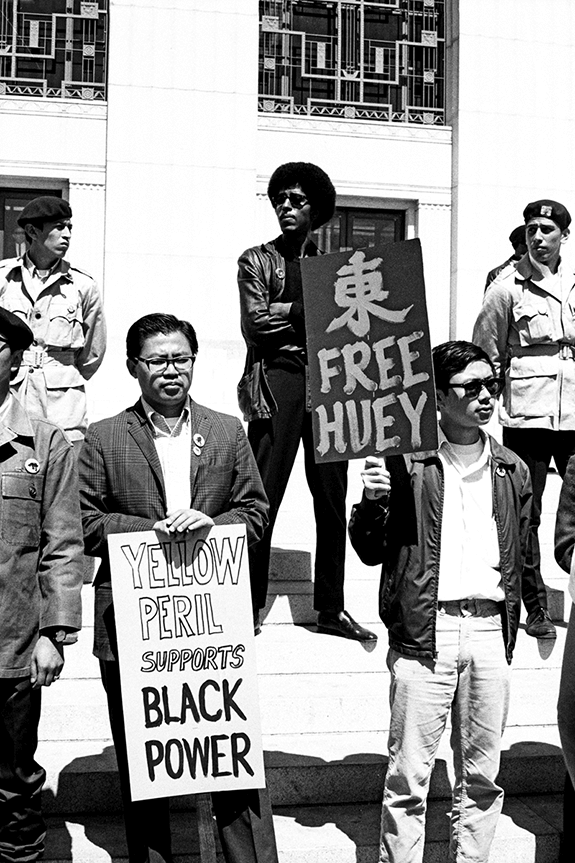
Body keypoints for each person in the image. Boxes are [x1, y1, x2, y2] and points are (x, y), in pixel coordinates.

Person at [78, 313, 279, 863]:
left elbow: (256, 513)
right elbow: (84, 521)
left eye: (181, 359)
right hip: (134, 625)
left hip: (209, 625)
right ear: (133, 367)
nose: (172, 371)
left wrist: (213, 526)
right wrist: (152, 532)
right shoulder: (105, 437)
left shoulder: (224, 430)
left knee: (229, 754)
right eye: (158, 360)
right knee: (147, 766)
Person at [349, 340, 532, 863]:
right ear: (436, 396)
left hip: (491, 627)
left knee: (482, 777)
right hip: (427, 632)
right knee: (409, 778)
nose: (485, 396)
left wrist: (528, 617)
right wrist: (373, 502)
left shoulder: (511, 468)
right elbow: (367, 550)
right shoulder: (406, 463)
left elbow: (525, 552)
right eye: (470, 387)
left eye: (491, 385)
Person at [237, 161, 375, 642]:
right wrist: (314, 319)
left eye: (296, 201)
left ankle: (331, 609)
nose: (286, 208)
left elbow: (353, 326)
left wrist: (291, 309)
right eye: (280, 199)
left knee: (333, 500)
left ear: (317, 209)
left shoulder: (335, 269)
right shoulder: (256, 260)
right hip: (280, 381)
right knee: (263, 495)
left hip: (332, 385)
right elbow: (257, 326)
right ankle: (249, 603)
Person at [0, 308, 83, 862]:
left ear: (13, 361)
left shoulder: (47, 444)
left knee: (12, 779)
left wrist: (55, 633)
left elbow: (63, 543)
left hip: (12, 643)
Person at [472, 198, 575, 639]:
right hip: (527, 413)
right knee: (524, 511)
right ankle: (534, 605)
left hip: (574, 412)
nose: (538, 238)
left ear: (563, 237)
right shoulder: (505, 288)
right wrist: (482, 405)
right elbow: (486, 351)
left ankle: (567, 564)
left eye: (547, 231)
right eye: (531, 229)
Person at [0, 195, 106, 442]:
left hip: (64, 407)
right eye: (59, 227)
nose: (67, 234)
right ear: (32, 231)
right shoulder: (4, 280)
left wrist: (60, 370)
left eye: (69, 227)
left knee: (64, 474)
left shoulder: (82, 285)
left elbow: (92, 352)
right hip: (11, 395)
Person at [484, 224, 527, 291]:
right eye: (525, 244)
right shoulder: (496, 273)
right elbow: (491, 300)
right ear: (516, 244)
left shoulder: (544, 269)